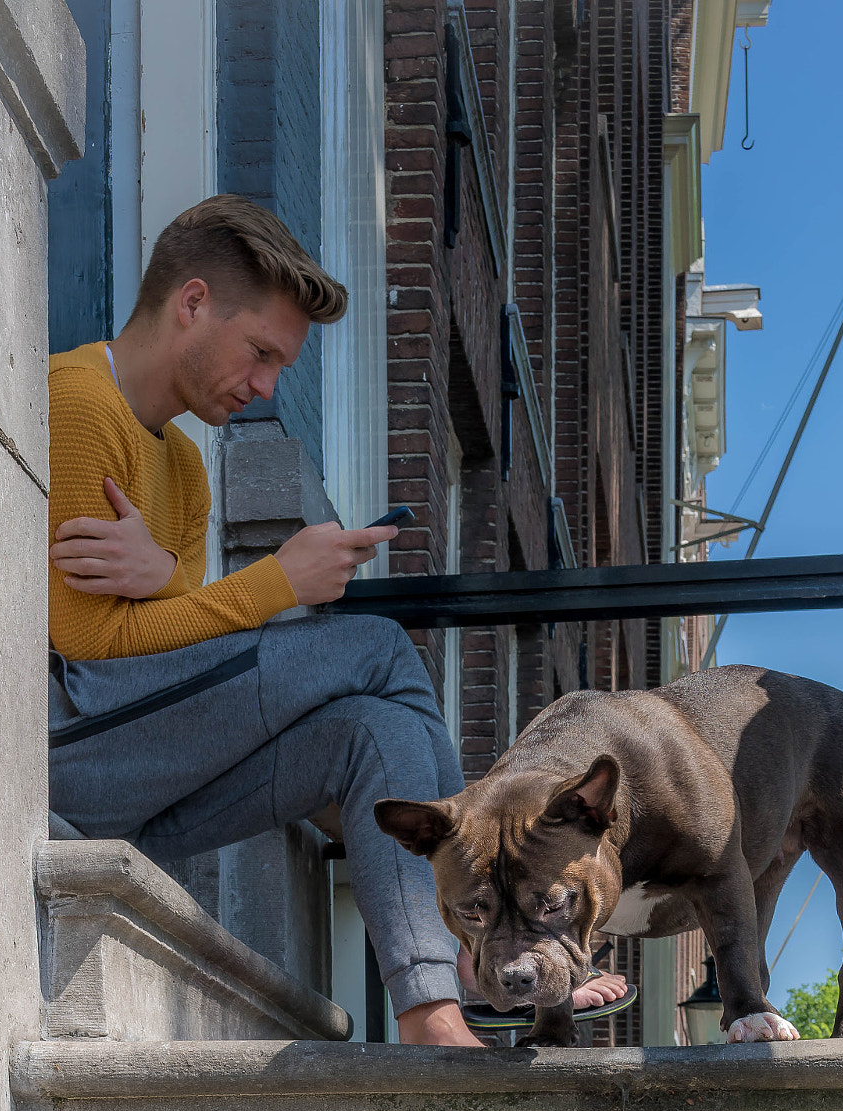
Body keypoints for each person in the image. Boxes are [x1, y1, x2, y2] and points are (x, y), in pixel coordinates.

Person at [47, 194, 623, 1046]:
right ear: (192, 303)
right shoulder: (81, 406)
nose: (265, 385)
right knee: (379, 646)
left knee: (367, 729)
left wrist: (167, 580)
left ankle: (446, 985)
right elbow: (91, 649)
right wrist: (276, 583)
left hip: (150, 783)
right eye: (261, 354)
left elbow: (187, 643)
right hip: (65, 757)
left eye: (278, 367)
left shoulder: (186, 471)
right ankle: (463, 970)